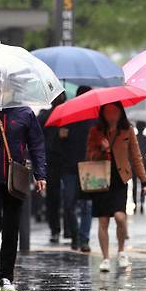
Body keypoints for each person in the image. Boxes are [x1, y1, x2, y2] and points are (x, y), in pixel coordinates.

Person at [0, 104, 46, 291]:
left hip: (16, 178)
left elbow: (37, 145)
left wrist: (40, 174)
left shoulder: (25, 113)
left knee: (11, 227)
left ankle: (7, 276)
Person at [86, 102, 146, 273]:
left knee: (120, 218)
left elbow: (136, 157)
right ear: (103, 113)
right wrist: (101, 149)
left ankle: (121, 251)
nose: (111, 115)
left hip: (120, 180)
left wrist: (144, 181)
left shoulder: (127, 130)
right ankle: (106, 257)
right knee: (103, 221)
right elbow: (90, 156)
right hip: (101, 180)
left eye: (114, 112)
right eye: (108, 112)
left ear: (120, 113)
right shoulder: (96, 131)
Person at [60, 85, 94, 252]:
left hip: (88, 167)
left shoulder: (96, 117)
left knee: (86, 205)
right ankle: (75, 235)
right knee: (69, 204)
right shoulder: (68, 116)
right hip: (70, 167)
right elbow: (59, 143)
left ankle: (84, 238)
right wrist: (62, 136)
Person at [37, 93, 66, 244]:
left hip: (57, 161)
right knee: (60, 198)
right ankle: (59, 229)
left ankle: (57, 229)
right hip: (57, 161)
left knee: (55, 198)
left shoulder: (48, 116)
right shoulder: (47, 116)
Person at [132, 120, 146, 215]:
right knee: (144, 185)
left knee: (135, 185)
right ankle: (142, 204)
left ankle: (135, 204)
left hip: (134, 166)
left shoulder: (134, 138)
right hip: (145, 166)